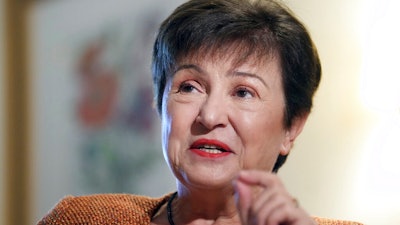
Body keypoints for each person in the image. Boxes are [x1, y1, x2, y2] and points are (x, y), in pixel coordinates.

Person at [38, 0, 362, 224]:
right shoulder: (81, 219)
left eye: (243, 92)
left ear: (292, 126)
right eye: (189, 87)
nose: (210, 116)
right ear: (159, 103)